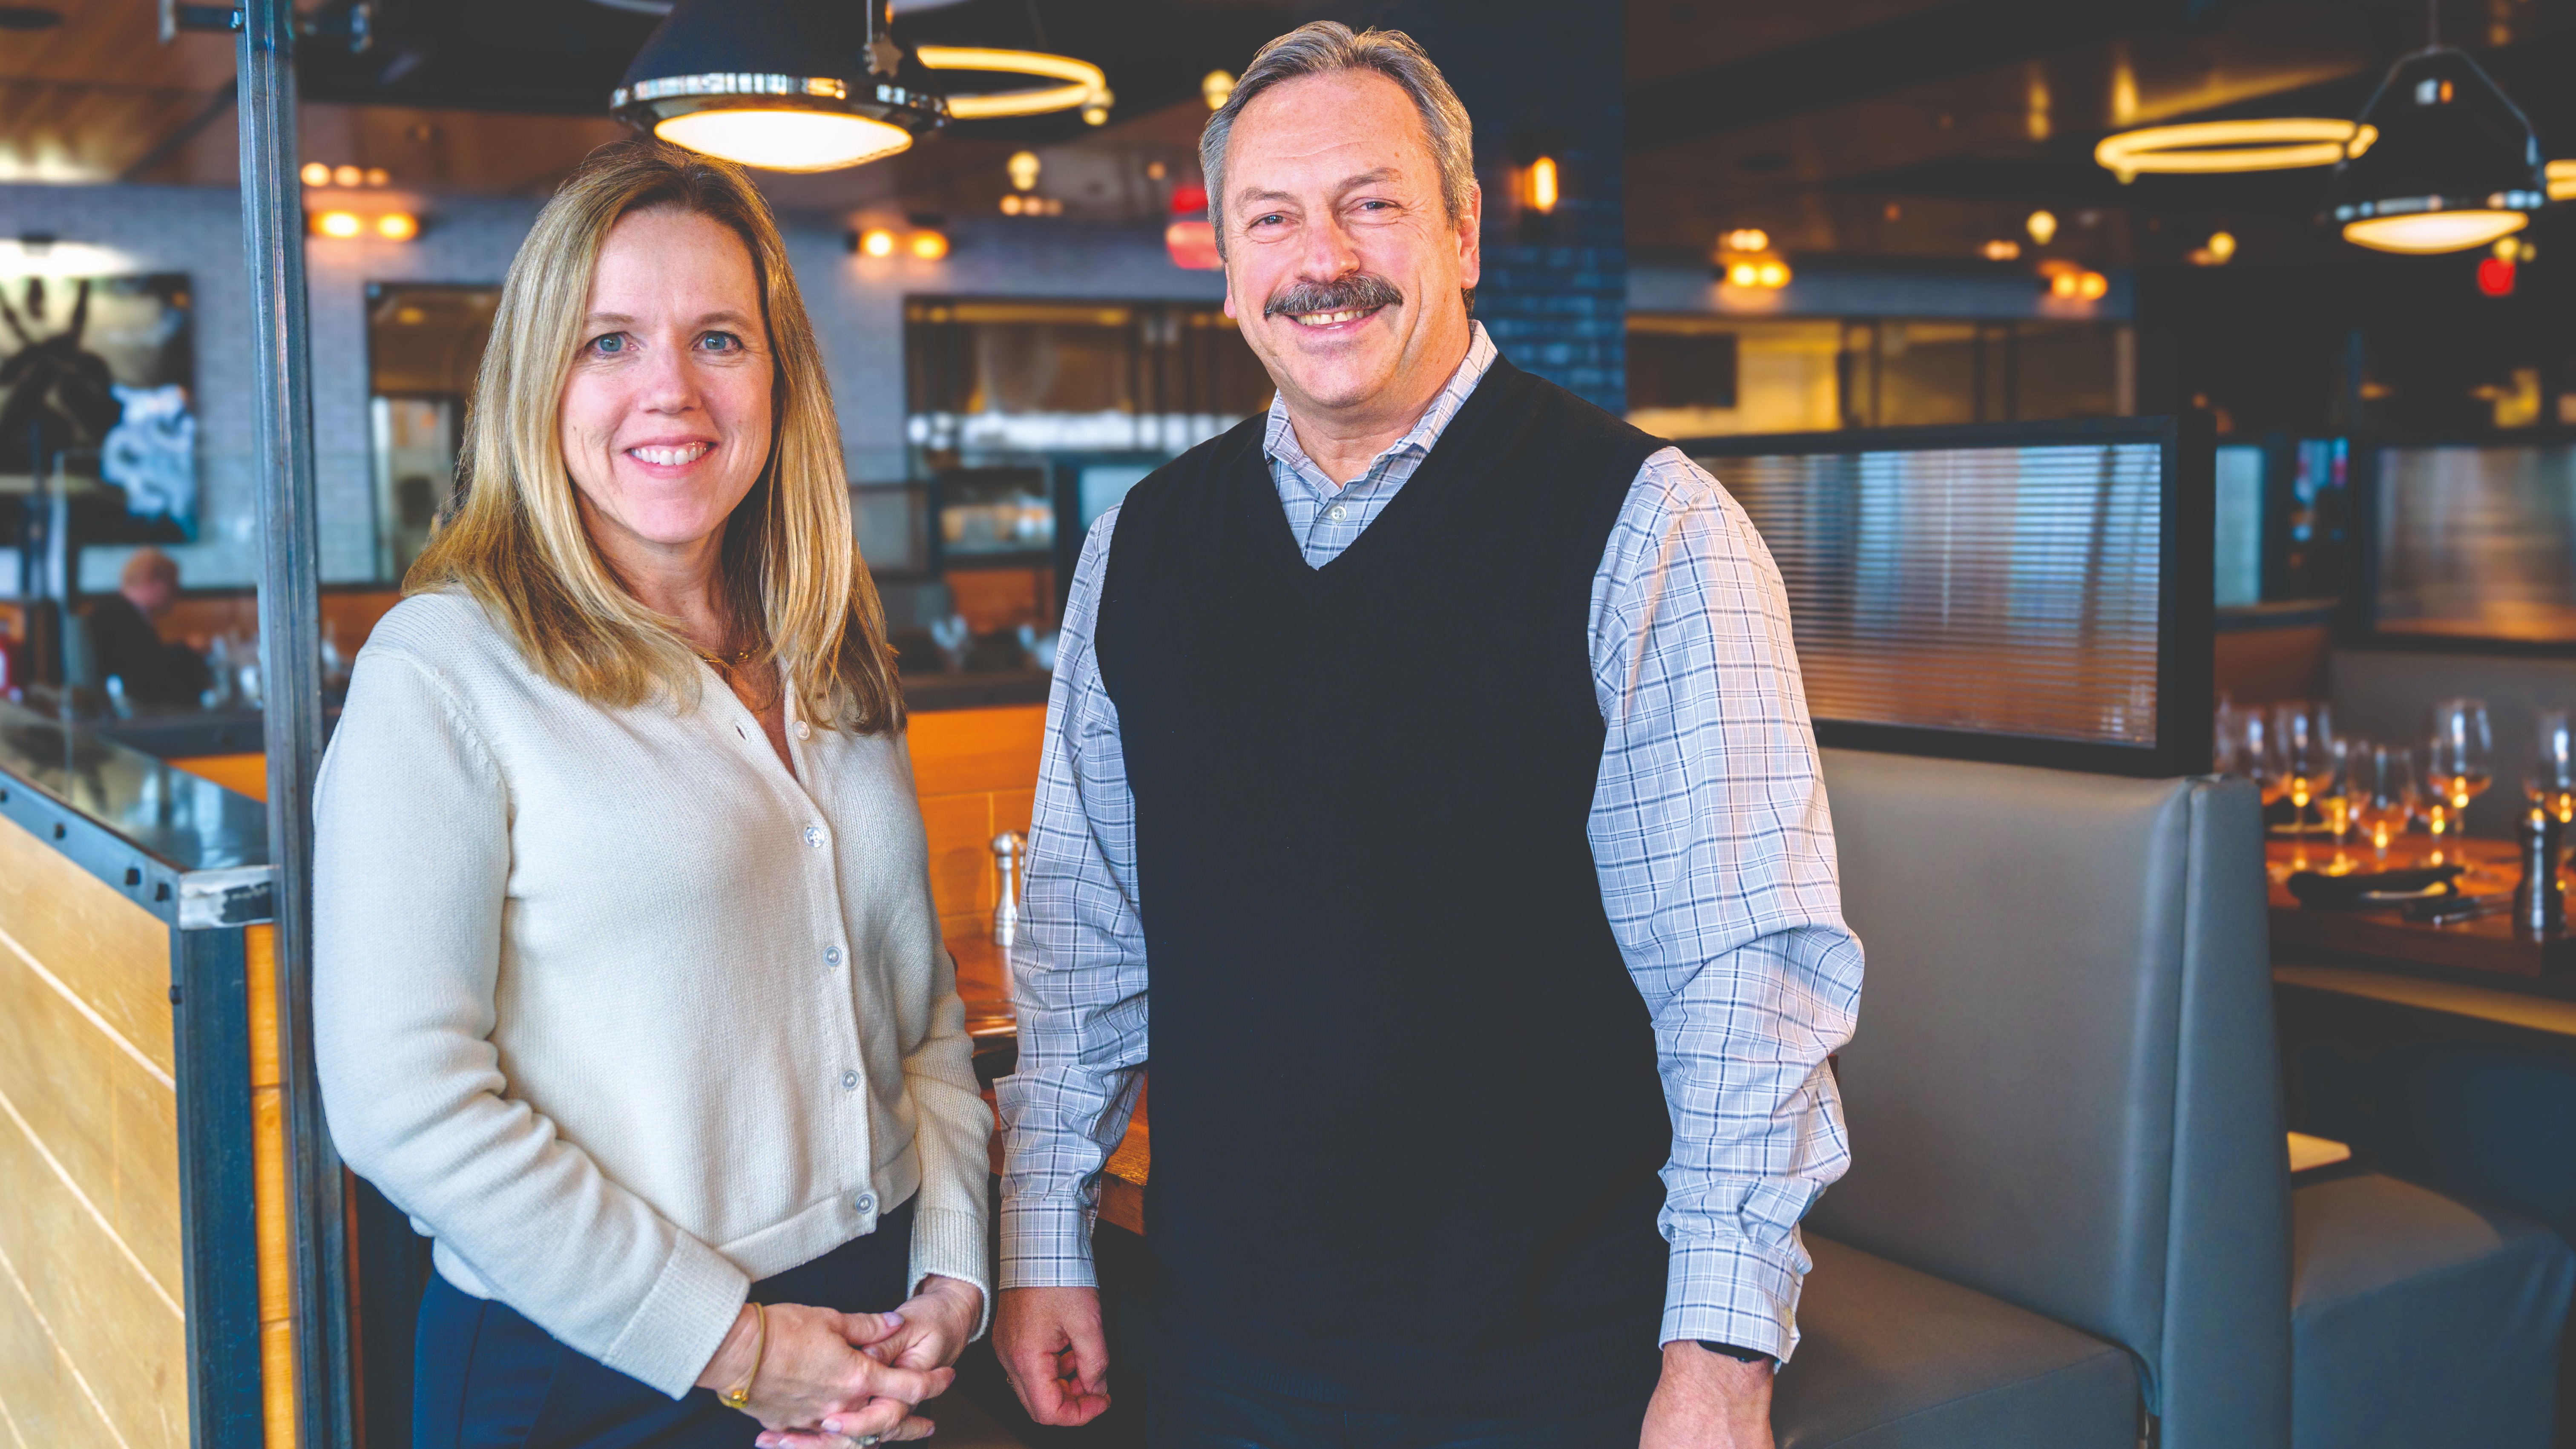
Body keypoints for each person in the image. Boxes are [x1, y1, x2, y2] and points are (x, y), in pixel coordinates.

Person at [990, 23, 1865, 1449]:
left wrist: (1719, 1350)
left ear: (1463, 230)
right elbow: (1086, 938)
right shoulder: (1137, 548)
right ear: (1223, 262)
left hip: (1544, 1364)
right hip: (1215, 1344)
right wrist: (1045, 1229)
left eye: (1371, 201)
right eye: (1269, 216)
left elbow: (1738, 981)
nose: (1318, 254)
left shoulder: (1649, 529)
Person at [313, 139, 989, 1449]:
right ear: (535, 383)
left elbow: (923, 1017)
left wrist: (953, 1265)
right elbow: (405, 1103)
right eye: (609, 341)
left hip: (870, 1327)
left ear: (779, 379)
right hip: (589, 1369)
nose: (669, 389)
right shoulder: (444, 670)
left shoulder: (830, 648)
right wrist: (738, 1348)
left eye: (719, 339)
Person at [84, 547, 209, 707]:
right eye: (173, 584)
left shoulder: (127, 612)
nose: (177, 592)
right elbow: (148, 674)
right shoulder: (115, 617)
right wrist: (187, 649)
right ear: (150, 580)